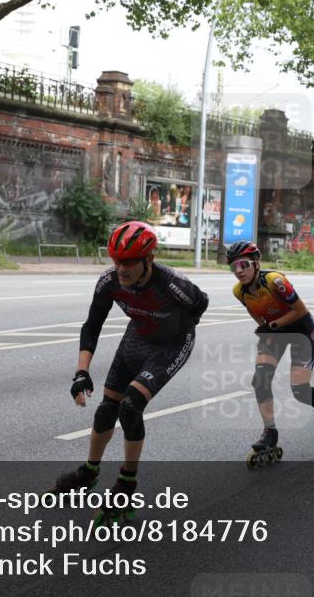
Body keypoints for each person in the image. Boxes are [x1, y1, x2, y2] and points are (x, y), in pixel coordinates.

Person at [52, 221, 208, 523]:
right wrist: (81, 372)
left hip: (171, 345)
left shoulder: (173, 284)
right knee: (106, 410)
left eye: (128, 262)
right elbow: (92, 325)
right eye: (116, 260)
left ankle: (126, 484)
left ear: (148, 259)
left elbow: (201, 304)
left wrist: (177, 326)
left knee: (131, 406)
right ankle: (89, 472)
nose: (120, 268)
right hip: (136, 338)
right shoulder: (109, 281)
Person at [226, 241, 314, 467]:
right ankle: (270, 432)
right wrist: (267, 329)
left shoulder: (276, 281)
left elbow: (300, 310)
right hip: (275, 330)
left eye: (244, 265)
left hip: (300, 328)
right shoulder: (239, 291)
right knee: (260, 380)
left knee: (300, 390)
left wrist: (273, 327)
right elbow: (256, 314)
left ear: (256, 264)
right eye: (234, 267)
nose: (239, 271)